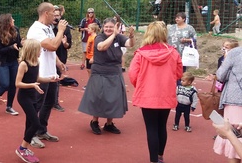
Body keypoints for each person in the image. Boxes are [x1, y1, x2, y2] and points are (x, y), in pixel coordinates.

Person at [129, 21, 182, 163]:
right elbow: (178, 73)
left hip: (147, 95)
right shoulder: (174, 52)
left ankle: (154, 160)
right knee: (161, 126)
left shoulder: (141, 54)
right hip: (166, 95)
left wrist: (141, 85)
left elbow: (133, 74)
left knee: (151, 128)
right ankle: (160, 156)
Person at [78, 17, 134, 135]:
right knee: (99, 98)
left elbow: (130, 44)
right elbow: (101, 47)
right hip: (100, 72)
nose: (108, 29)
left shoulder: (119, 37)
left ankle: (109, 124)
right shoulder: (100, 37)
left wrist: (132, 36)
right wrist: (113, 35)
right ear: (103, 28)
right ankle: (94, 122)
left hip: (115, 72)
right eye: (106, 27)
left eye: (111, 27)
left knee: (114, 99)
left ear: (115, 27)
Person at [26, 2, 67, 147]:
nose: (56, 17)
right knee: (35, 105)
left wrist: (58, 62)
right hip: (40, 73)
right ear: (46, 13)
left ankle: (41, 130)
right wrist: (61, 30)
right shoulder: (36, 29)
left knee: (49, 102)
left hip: (51, 72)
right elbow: (53, 45)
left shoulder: (48, 28)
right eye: (53, 14)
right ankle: (29, 136)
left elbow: (51, 50)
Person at [15, 39, 58, 163]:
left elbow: (37, 78)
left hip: (33, 96)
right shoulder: (23, 64)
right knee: (36, 123)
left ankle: (25, 148)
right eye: (39, 50)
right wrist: (32, 85)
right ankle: (22, 148)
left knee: (30, 123)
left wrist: (50, 79)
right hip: (24, 97)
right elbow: (18, 83)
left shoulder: (37, 62)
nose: (41, 52)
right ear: (33, 50)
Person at [214, 44, 242, 162]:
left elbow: (220, 75)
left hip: (234, 98)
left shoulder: (235, 53)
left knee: (234, 136)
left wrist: (226, 58)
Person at [0, 13, 22, 116]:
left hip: (13, 61)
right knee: (5, 84)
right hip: (2, 62)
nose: (13, 20)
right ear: (6, 22)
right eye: (11, 19)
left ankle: (9, 107)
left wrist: (24, 44)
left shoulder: (15, 29)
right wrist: (11, 47)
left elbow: (18, 43)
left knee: (13, 84)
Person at [52, 6, 71, 112]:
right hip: (49, 58)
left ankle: (55, 102)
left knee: (56, 81)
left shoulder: (66, 28)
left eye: (58, 15)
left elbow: (69, 45)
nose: (56, 17)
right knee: (45, 80)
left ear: (61, 16)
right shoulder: (47, 27)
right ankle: (43, 101)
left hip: (61, 57)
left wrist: (65, 43)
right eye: (54, 15)